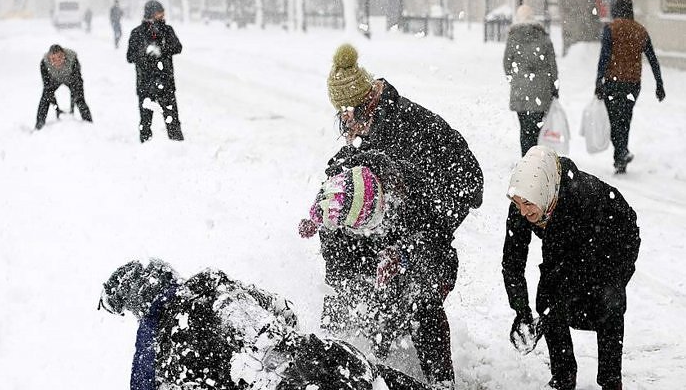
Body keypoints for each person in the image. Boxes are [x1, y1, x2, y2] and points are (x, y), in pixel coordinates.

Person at [308, 44, 484, 387]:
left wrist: (428, 225)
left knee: (418, 296)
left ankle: (439, 381)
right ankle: (353, 351)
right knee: (351, 260)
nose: (344, 124)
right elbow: (345, 176)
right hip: (398, 220)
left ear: (364, 106)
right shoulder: (370, 127)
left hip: (433, 220)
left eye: (346, 114)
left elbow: (469, 184)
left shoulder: (406, 128)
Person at [98, 258, 434, 390]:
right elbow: (284, 310)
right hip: (324, 358)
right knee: (373, 379)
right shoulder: (211, 282)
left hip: (283, 384)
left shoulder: (163, 354)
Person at [502, 145, 640, 390]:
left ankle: (611, 380)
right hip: (572, 240)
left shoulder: (580, 197)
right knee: (547, 300)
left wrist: (559, 307)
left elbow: (568, 268)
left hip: (614, 237)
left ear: (544, 193)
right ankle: (563, 377)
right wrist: (521, 310)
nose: (522, 211)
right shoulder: (526, 198)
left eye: (527, 204)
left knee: (607, 302)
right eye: (516, 203)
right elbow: (512, 262)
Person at [594, 0, 665, 174]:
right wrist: (659, 83)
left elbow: (604, 58)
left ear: (616, 10)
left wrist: (598, 81)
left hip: (613, 82)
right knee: (625, 119)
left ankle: (621, 153)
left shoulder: (611, 29)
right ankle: (621, 157)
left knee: (614, 121)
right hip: (633, 84)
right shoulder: (640, 31)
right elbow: (653, 59)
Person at [503, 5, 559, 156]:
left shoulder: (513, 37)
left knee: (524, 129)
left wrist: (515, 80)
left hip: (520, 90)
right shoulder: (543, 37)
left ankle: (526, 159)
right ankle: (535, 158)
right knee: (536, 129)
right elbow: (552, 65)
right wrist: (554, 86)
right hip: (541, 90)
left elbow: (507, 64)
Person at [127, 0, 184, 143]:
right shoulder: (137, 33)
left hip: (166, 83)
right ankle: (146, 148)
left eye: (163, 12)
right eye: (159, 12)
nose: (162, 15)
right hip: (145, 84)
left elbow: (178, 47)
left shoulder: (167, 30)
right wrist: (144, 53)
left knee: (172, 120)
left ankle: (178, 147)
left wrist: (161, 50)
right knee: (145, 121)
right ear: (151, 13)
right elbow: (130, 56)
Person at [35, 44, 93, 130]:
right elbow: (47, 87)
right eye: (53, 59)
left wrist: (72, 107)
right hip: (54, 80)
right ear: (49, 58)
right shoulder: (44, 63)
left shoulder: (73, 60)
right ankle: (39, 125)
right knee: (45, 98)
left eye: (60, 57)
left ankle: (89, 123)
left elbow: (77, 83)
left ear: (64, 55)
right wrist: (57, 108)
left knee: (79, 99)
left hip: (71, 78)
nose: (57, 61)